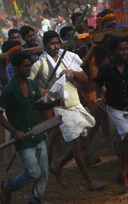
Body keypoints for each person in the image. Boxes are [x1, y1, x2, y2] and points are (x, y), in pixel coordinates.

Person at [30, 30, 104, 191]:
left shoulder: (67, 58)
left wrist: (72, 72)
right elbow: (28, 85)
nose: (56, 47)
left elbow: (84, 77)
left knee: (82, 144)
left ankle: (57, 165)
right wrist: (38, 91)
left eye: (57, 43)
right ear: (45, 46)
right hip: (61, 108)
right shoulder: (40, 64)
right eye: (52, 44)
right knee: (77, 145)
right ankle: (90, 181)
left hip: (76, 104)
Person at [0, 50, 60, 204]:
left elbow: (39, 105)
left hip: (37, 133)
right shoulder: (9, 90)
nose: (29, 69)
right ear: (16, 67)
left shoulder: (32, 85)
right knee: (33, 173)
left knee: (43, 173)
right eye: (25, 66)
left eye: (30, 66)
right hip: (22, 139)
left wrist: (54, 103)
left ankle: (35, 200)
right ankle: (8, 186)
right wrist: (14, 131)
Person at [95, 36, 128, 191]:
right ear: (113, 52)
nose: (125, 52)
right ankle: (124, 173)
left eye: (126, 49)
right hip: (114, 108)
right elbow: (97, 82)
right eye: (121, 50)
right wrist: (98, 98)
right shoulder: (106, 69)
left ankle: (127, 171)